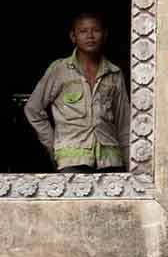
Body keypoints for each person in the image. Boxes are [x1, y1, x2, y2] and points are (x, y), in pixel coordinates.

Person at [24, 11, 131, 173]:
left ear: (105, 35)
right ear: (73, 37)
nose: (90, 36)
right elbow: (33, 109)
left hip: (111, 160)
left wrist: (130, 163)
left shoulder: (114, 73)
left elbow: (124, 124)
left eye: (96, 30)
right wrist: (53, 146)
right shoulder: (59, 70)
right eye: (83, 31)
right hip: (71, 160)